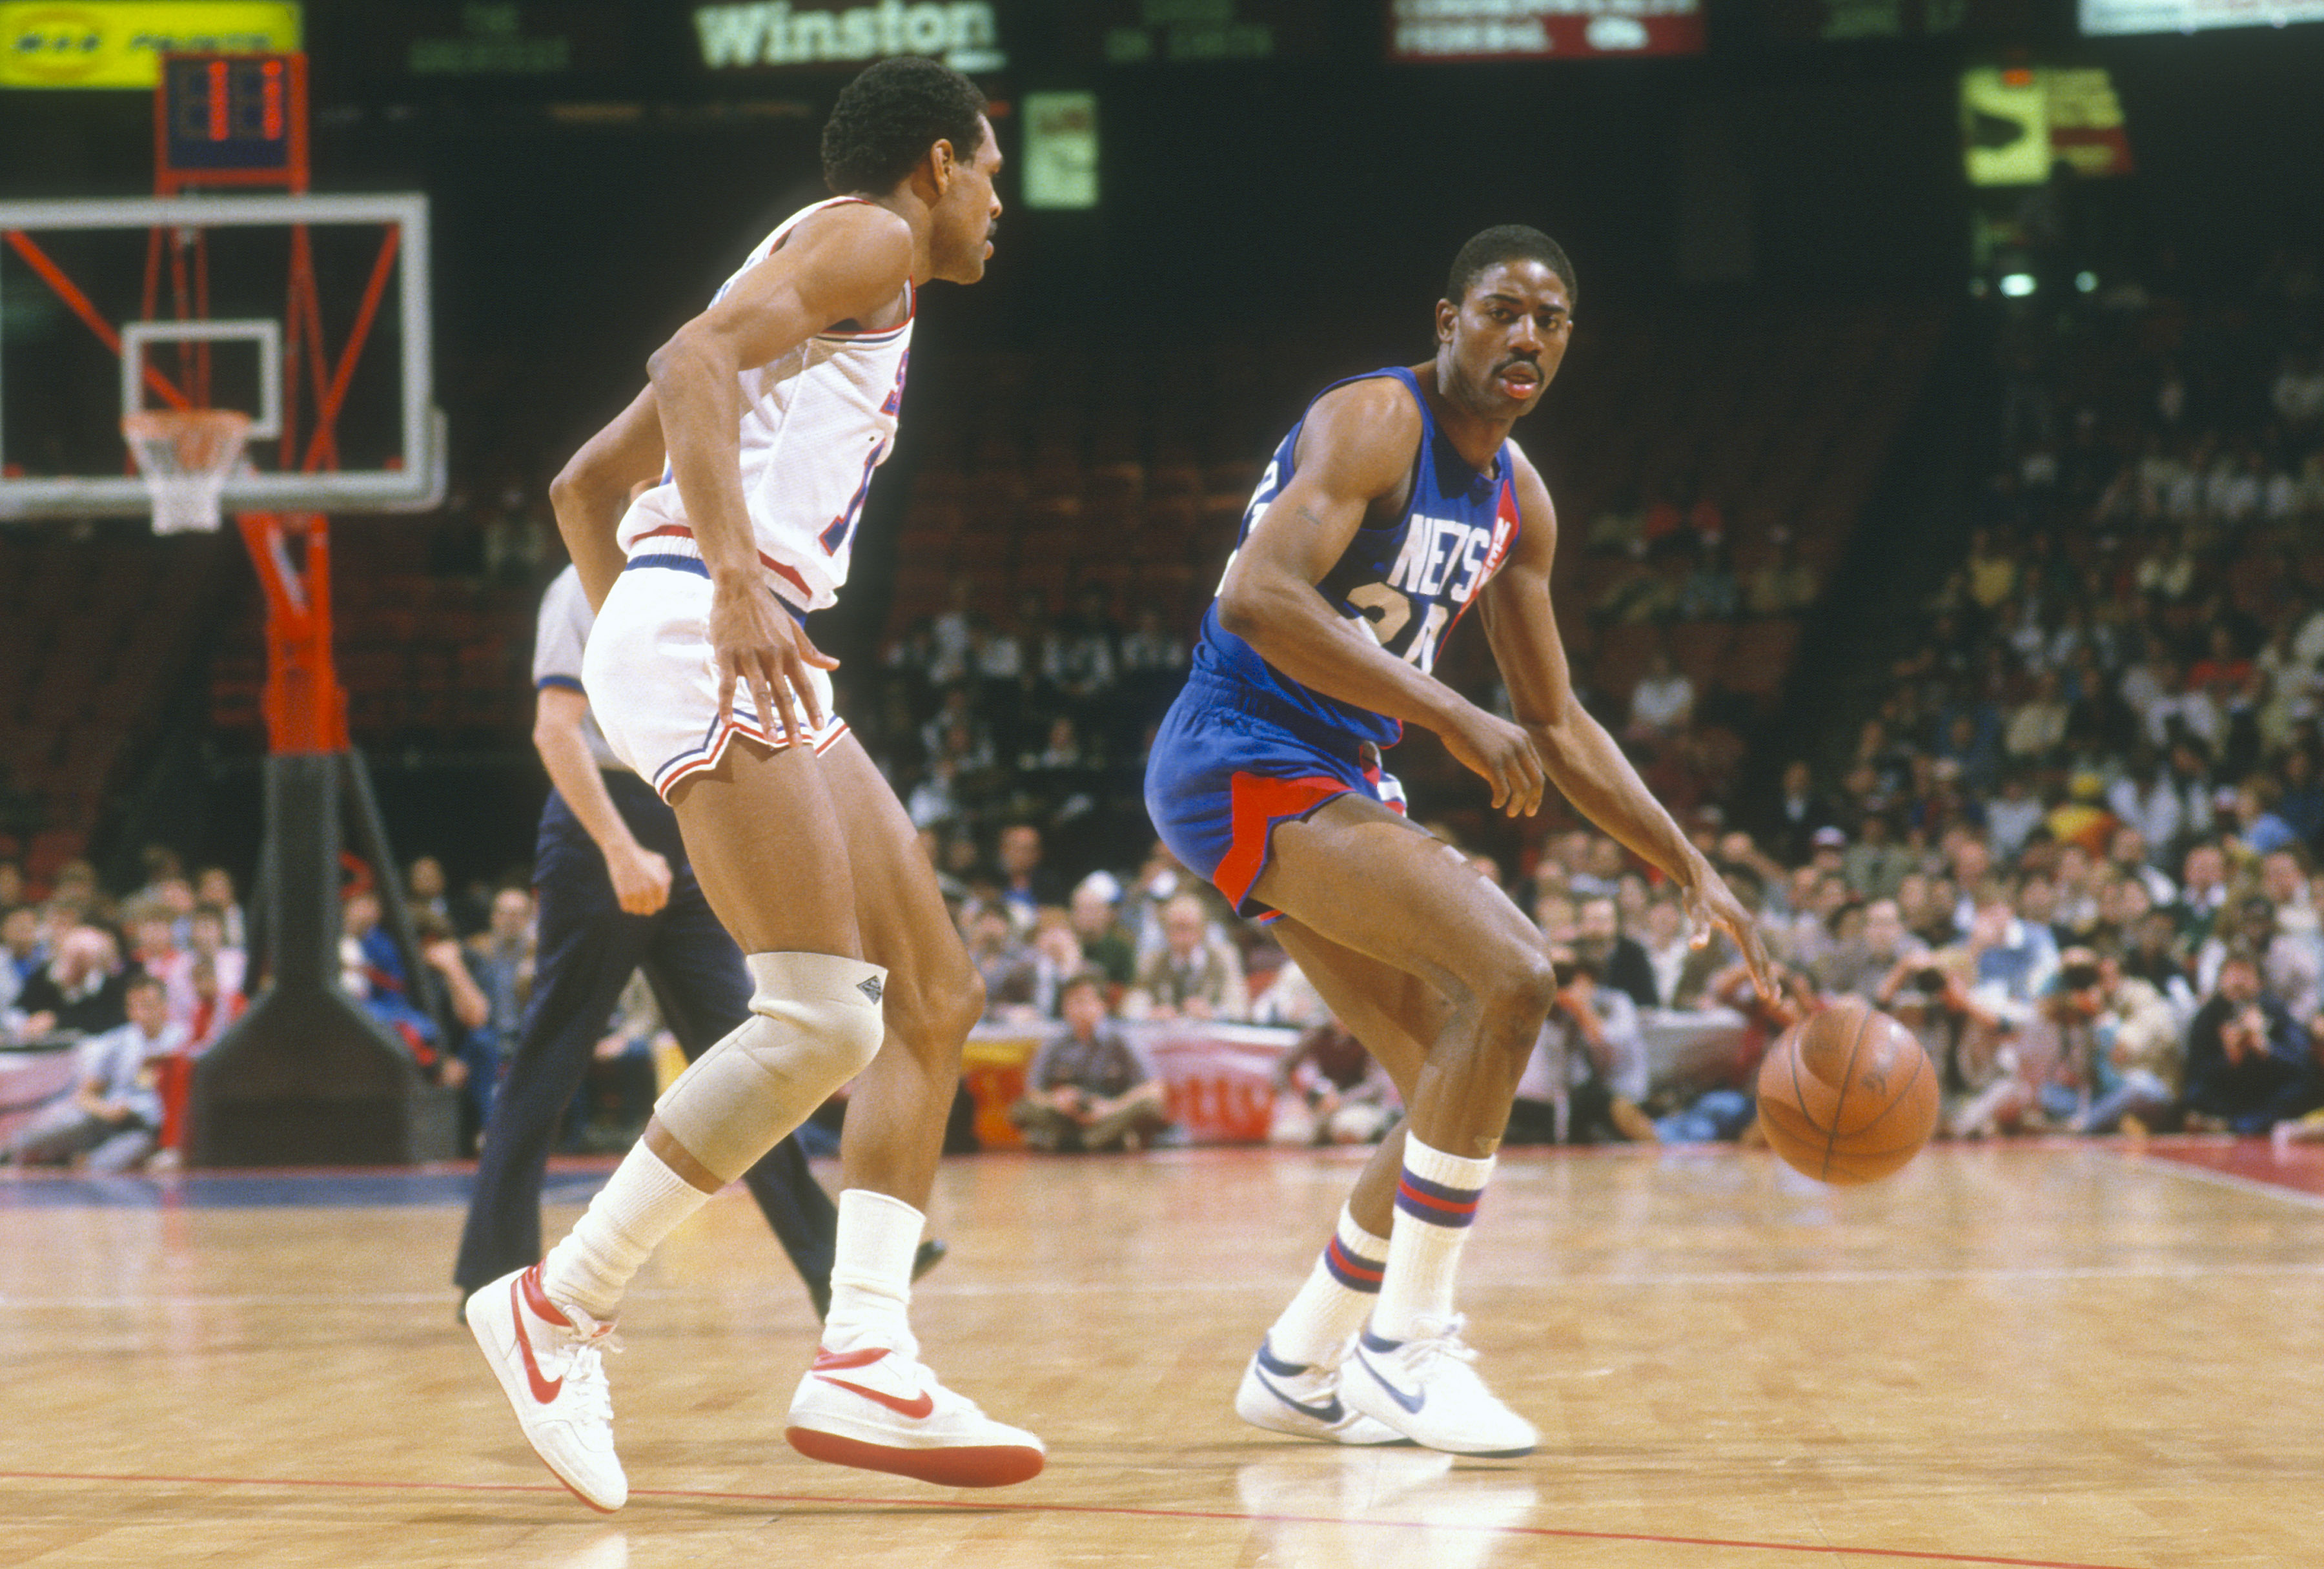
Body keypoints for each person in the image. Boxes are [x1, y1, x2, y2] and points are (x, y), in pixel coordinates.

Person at [463, 58, 1039, 1512]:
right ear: (935, 161)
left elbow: (583, 490)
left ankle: (866, 1354)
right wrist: (712, 590)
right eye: (992, 168)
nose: (998, 202)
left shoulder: (816, 264)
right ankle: (558, 1303)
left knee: (931, 996)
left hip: (715, 636)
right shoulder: (870, 235)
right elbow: (685, 368)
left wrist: (633, 662)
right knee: (820, 1017)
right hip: (726, 621)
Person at [1143, 225, 1768, 1458]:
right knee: (1516, 975)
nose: (1525, 334)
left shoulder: (1518, 499)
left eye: (1550, 318)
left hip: (1336, 769)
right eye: (1501, 310)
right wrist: (1448, 711)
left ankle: (1303, 1354)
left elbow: (1554, 718)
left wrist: (1684, 860)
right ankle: (1407, 1348)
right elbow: (1257, 598)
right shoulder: (1378, 421)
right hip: (1240, 747)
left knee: (1448, 1080)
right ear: (1449, 319)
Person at [453, 565, 877, 1323]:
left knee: (750, 1057)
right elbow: (555, 729)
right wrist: (617, 849)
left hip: (683, 810)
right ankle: (492, 1276)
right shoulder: (574, 588)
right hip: (602, 828)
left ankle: (827, 1265)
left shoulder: (701, 576)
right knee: (553, 1052)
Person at [5, 970, 183, 1171]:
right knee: (29, 1140)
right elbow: (85, 1095)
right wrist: (106, 1110)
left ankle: (80, 1163)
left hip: (147, 1128)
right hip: (106, 1119)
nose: (139, 1014)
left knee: (99, 1169)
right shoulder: (119, 1041)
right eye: (133, 1007)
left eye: (147, 1006)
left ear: (164, 1007)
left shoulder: (182, 1041)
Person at [1007, 970, 1168, 1151]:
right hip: (1068, 1116)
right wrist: (1057, 1101)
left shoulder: (1122, 1039)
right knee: (1021, 1110)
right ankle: (1103, 1141)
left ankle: (1076, 1143)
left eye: (1082, 1001)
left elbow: (1154, 1089)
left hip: (1110, 1112)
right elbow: (1033, 1091)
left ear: (1102, 1004)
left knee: (1150, 1107)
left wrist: (1109, 1108)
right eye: (1069, 1003)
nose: (1076, 1009)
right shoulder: (1056, 1042)